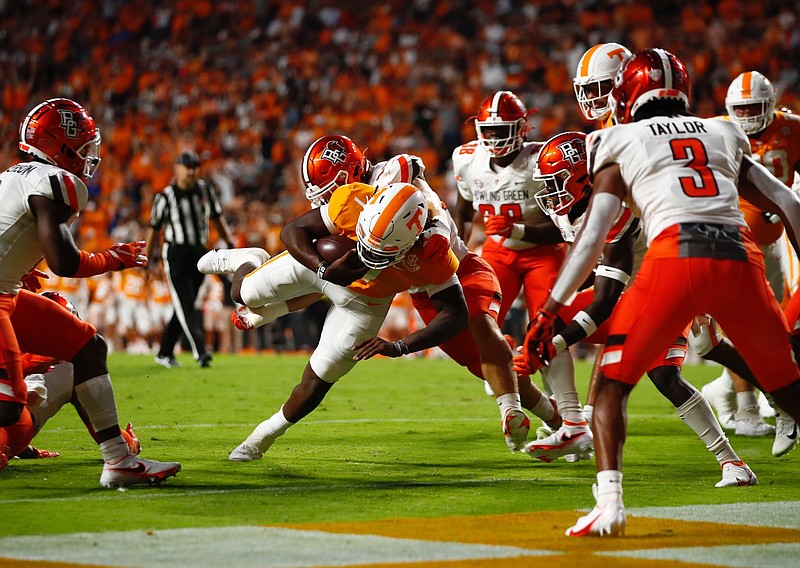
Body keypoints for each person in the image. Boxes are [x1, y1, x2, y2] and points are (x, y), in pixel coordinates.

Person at [525, 49, 800, 537]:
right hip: (740, 256)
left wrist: (548, 312)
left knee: (612, 382)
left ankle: (609, 504)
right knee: (787, 386)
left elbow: (592, 239)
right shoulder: (723, 130)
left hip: (676, 254)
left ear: (626, 95)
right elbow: (788, 201)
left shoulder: (613, 138)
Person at [236, 135, 562, 451]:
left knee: (479, 326)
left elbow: (407, 171)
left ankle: (521, 410)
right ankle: (553, 414)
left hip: (447, 268)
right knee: (480, 365)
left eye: (329, 189)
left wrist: (401, 344)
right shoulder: (350, 201)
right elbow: (327, 275)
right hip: (412, 282)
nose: (324, 199)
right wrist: (282, 302)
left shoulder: (401, 198)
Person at [520, 131, 756, 487]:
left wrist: (551, 346)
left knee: (665, 377)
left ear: (583, 179)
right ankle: (572, 425)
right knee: (545, 322)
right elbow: (596, 275)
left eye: (556, 182)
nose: (551, 193)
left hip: (664, 291)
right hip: (628, 294)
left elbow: (602, 303)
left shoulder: (615, 210)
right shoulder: (576, 210)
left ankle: (732, 462)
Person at [199, 182, 471, 461]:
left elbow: (457, 314)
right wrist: (322, 268)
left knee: (321, 375)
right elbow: (293, 230)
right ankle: (250, 257)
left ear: (410, 241)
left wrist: (400, 346)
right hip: (323, 266)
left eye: (380, 251)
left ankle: (260, 439)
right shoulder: (354, 200)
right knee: (243, 293)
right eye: (365, 239)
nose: (369, 252)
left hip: (366, 303)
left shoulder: (433, 249)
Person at [0, 97, 180, 487]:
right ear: (60, 146)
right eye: (83, 146)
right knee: (8, 411)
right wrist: (114, 259)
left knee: (87, 345)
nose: (89, 156)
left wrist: (18, 269)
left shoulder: (14, 175)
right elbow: (65, 263)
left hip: (5, 292)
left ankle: (118, 461)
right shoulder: (56, 181)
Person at [452, 91, 576, 444]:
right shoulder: (466, 159)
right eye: (488, 130)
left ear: (522, 128)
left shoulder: (542, 161)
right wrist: (457, 255)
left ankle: (571, 419)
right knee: (476, 324)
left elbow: (567, 225)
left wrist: (519, 230)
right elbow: (463, 213)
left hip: (543, 252)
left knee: (547, 333)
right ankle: (515, 395)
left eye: (501, 129)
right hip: (498, 252)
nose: (493, 138)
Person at [701, 70, 800, 453]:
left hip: (779, 240)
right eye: (740, 108)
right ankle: (749, 405)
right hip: (733, 241)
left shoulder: (791, 128)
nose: (747, 116)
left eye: (754, 108)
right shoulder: (715, 131)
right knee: (744, 327)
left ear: (772, 105)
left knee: (774, 326)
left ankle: (734, 394)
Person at [1, 292, 141, 466]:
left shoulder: (11, 338)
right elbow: (103, 433)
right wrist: (131, 441)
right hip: (16, 428)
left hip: (14, 428)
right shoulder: (76, 364)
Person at [145, 150, 236, 368]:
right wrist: (148, 260)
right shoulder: (166, 196)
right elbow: (153, 230)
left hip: (199, 253)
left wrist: (231, 244)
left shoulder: (204, 190)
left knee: (185, 305)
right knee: (186, 304)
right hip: (175, 254)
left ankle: (164, 352)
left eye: (195, 167)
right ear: (176, 169)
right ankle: (201, 352)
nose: (192, 171)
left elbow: (217, 218)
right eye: (188, 167)